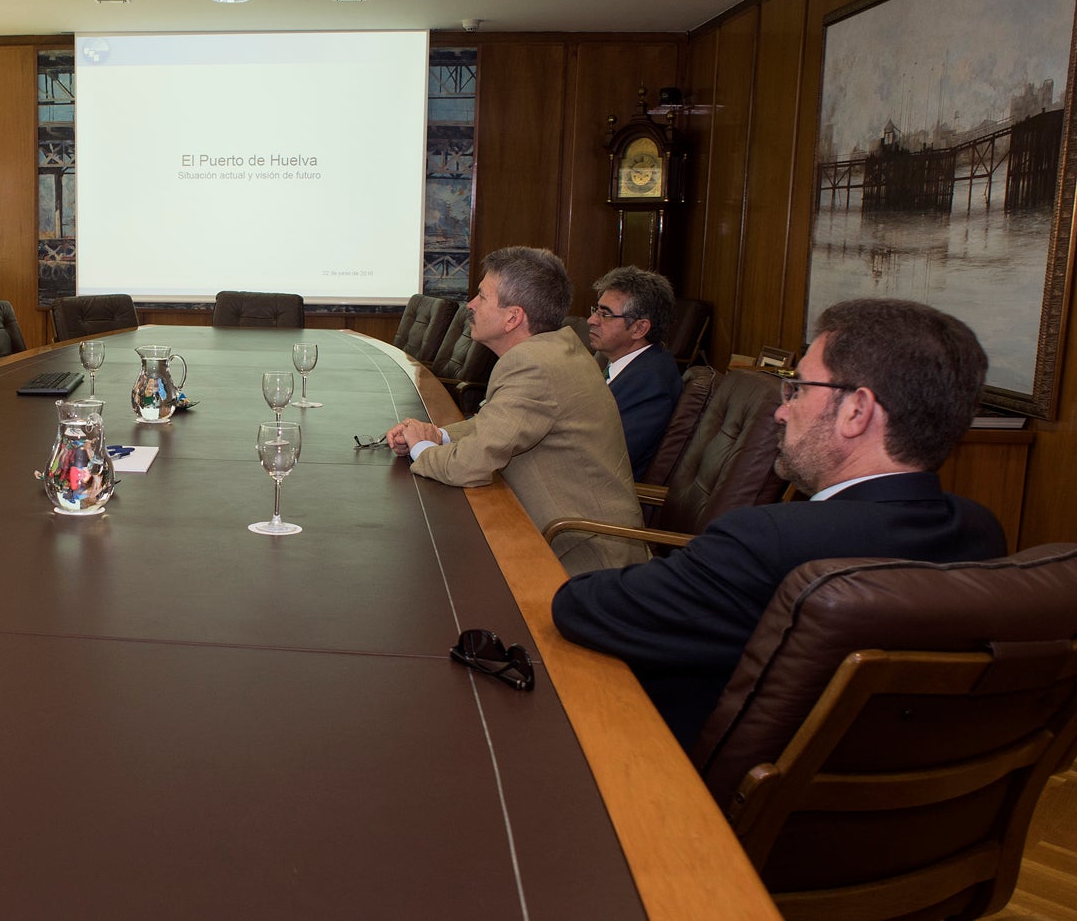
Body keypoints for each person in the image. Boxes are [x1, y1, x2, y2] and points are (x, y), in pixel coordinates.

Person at [551, 298, 1005, 749]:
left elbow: (581, 608)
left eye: (799, 389)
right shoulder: (980, 532)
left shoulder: (766, 541)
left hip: (676, 773)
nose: (781, 411)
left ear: (856, 412)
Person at [386, 246, 645, 573]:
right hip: (567, 534)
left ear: (513, 317)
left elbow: (468, 466)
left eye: (482, 296)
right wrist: (438, 434)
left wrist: (419, 448)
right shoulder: (555, 349)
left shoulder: (533, 365)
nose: (471, 305)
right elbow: (497, 421)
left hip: (583, 555)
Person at [587, 266, 684, 479]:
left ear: (639, 329)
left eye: (605, 314)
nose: (592, 320)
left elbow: (606, 460)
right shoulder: (630, 366)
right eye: (596, 310)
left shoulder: (651, 383)